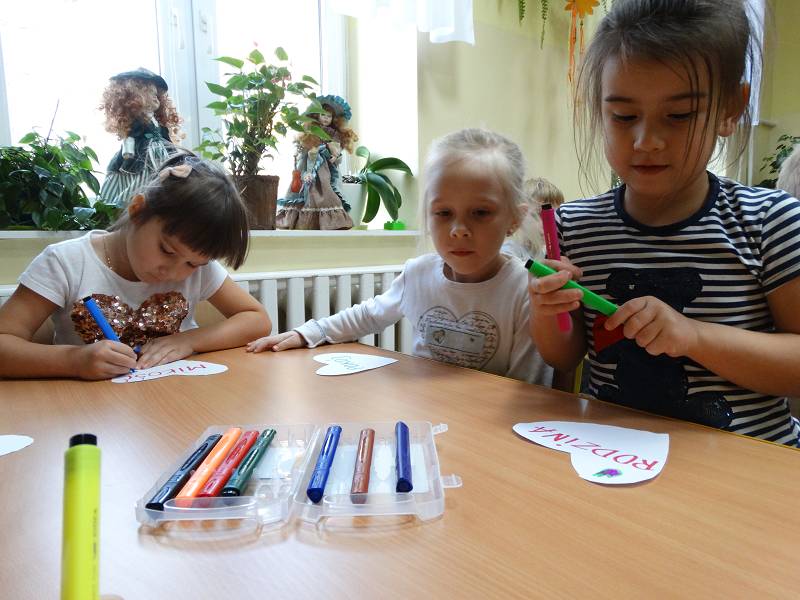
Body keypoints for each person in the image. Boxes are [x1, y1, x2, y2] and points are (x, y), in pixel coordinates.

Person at [529, 0, 800, 445]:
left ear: (731, 108)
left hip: (745, 469)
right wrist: (547, 311)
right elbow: (564, 356)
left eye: (679, 115)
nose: (647, 141)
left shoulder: (770, 222)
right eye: (623, 116)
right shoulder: (573, 227)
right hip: (614, 459)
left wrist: (694, 336)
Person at [250, 128, 553, 386]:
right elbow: (368, 315)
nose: (459, 230)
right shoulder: (417, 273)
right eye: (443, 213)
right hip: (424, 415)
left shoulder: (526, 289)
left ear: (514, 219)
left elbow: (527, 388)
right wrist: (308, 333)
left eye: (481, 213)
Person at [0, 152, 271, 380]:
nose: (174, 272)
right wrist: (74, 360)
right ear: (138, 210)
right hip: (89, 408)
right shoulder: (66, 263)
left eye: (193, 263)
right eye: (167, 250)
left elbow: (256, 319)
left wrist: (189, 340)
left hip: (176, 401)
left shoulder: (198, 267)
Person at [98, 68, 182, 206]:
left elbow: (166, 141)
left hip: (160, 155)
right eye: (151, 93)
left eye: (157, 95)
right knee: (140, 180)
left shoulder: (157, 123)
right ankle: (134, 203)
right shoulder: (139, 121)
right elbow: (130, 136)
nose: (156, 97)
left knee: (164, 177)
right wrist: (128, 151)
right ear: (135, 96)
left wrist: (176, 157)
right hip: (141, 156)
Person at [276, 95, 358, 230]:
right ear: (316, 116)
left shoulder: (333, 134)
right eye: (323, 115)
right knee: (307, 190)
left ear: (334, 119)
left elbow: (337, 151)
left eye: (329, 116)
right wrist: (303, 153)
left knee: (326, 189)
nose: (326, 118)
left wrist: (335, 156)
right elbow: (305, 148)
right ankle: (301, 220)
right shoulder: (311, 131)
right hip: (309, 164)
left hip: (326, 167)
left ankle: (330, 221)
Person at [502, 177, 563, 263]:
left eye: (554, 217)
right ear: (519, 216)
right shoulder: (508, 252)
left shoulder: (545, 252)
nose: (549, 225)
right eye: (539, 215)